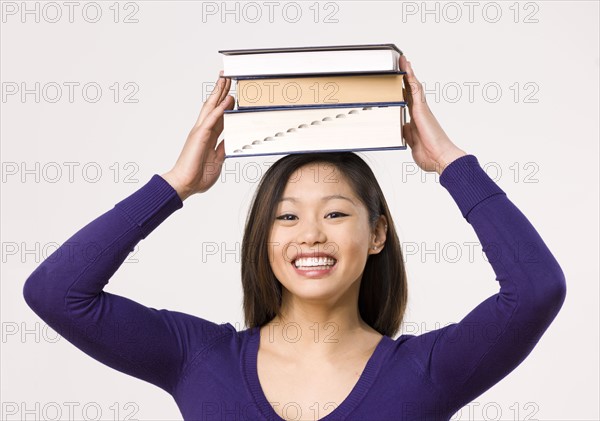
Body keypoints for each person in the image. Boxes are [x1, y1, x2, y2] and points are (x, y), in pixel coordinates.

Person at [23, 55, 566, 421]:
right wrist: (175, 185)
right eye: (286, 218)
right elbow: (57, 292)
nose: (310, 235)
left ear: (377, 234)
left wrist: (451, 163)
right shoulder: (198, 358)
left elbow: (536, 288)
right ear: (263, 238)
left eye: (335, 214)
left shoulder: (428, 372)